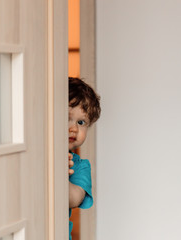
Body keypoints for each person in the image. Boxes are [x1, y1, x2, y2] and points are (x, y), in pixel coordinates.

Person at [68, 77, 101, 240]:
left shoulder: (81, 166)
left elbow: (74, 198)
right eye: (67, 118)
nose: (73, 128)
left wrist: (60, 173)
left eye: (81, 122)